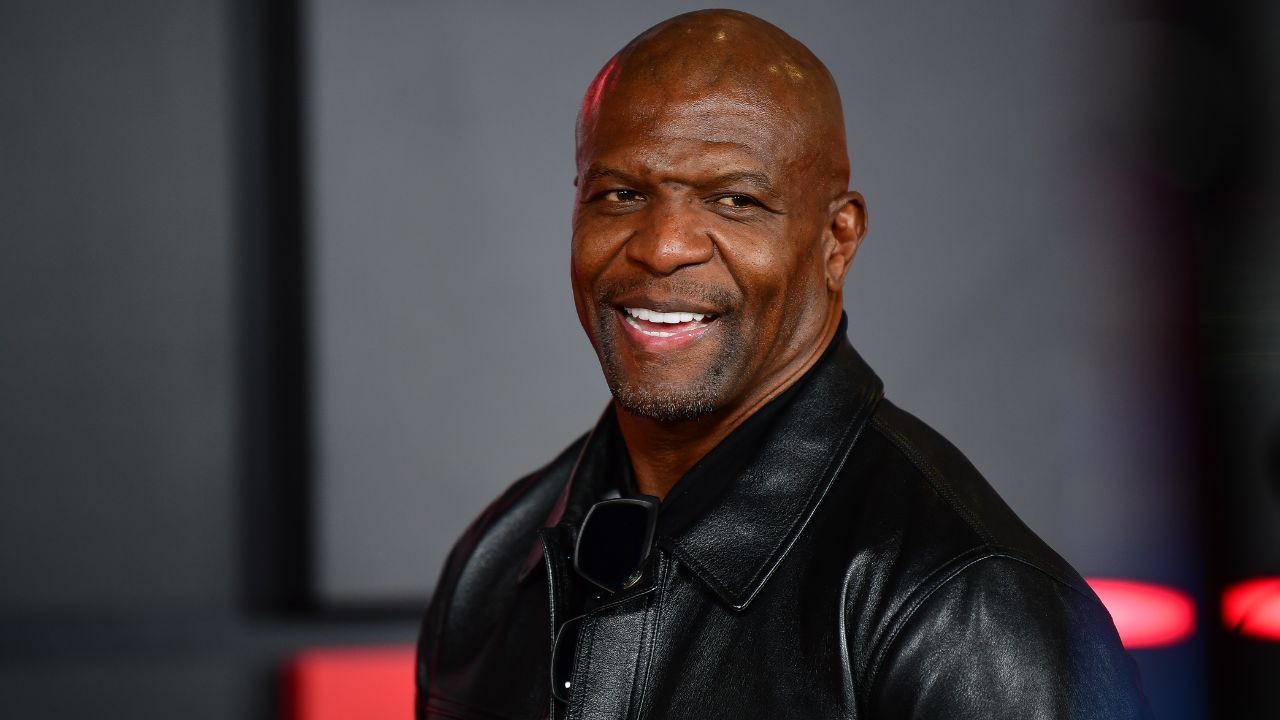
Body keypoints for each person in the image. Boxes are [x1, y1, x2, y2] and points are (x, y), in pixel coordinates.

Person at [416, 9, 1152, 719]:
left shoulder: (972, 609)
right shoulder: (495, 561)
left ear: (837, 240)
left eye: (735, 200)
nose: (662, 247)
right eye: (621, 194)